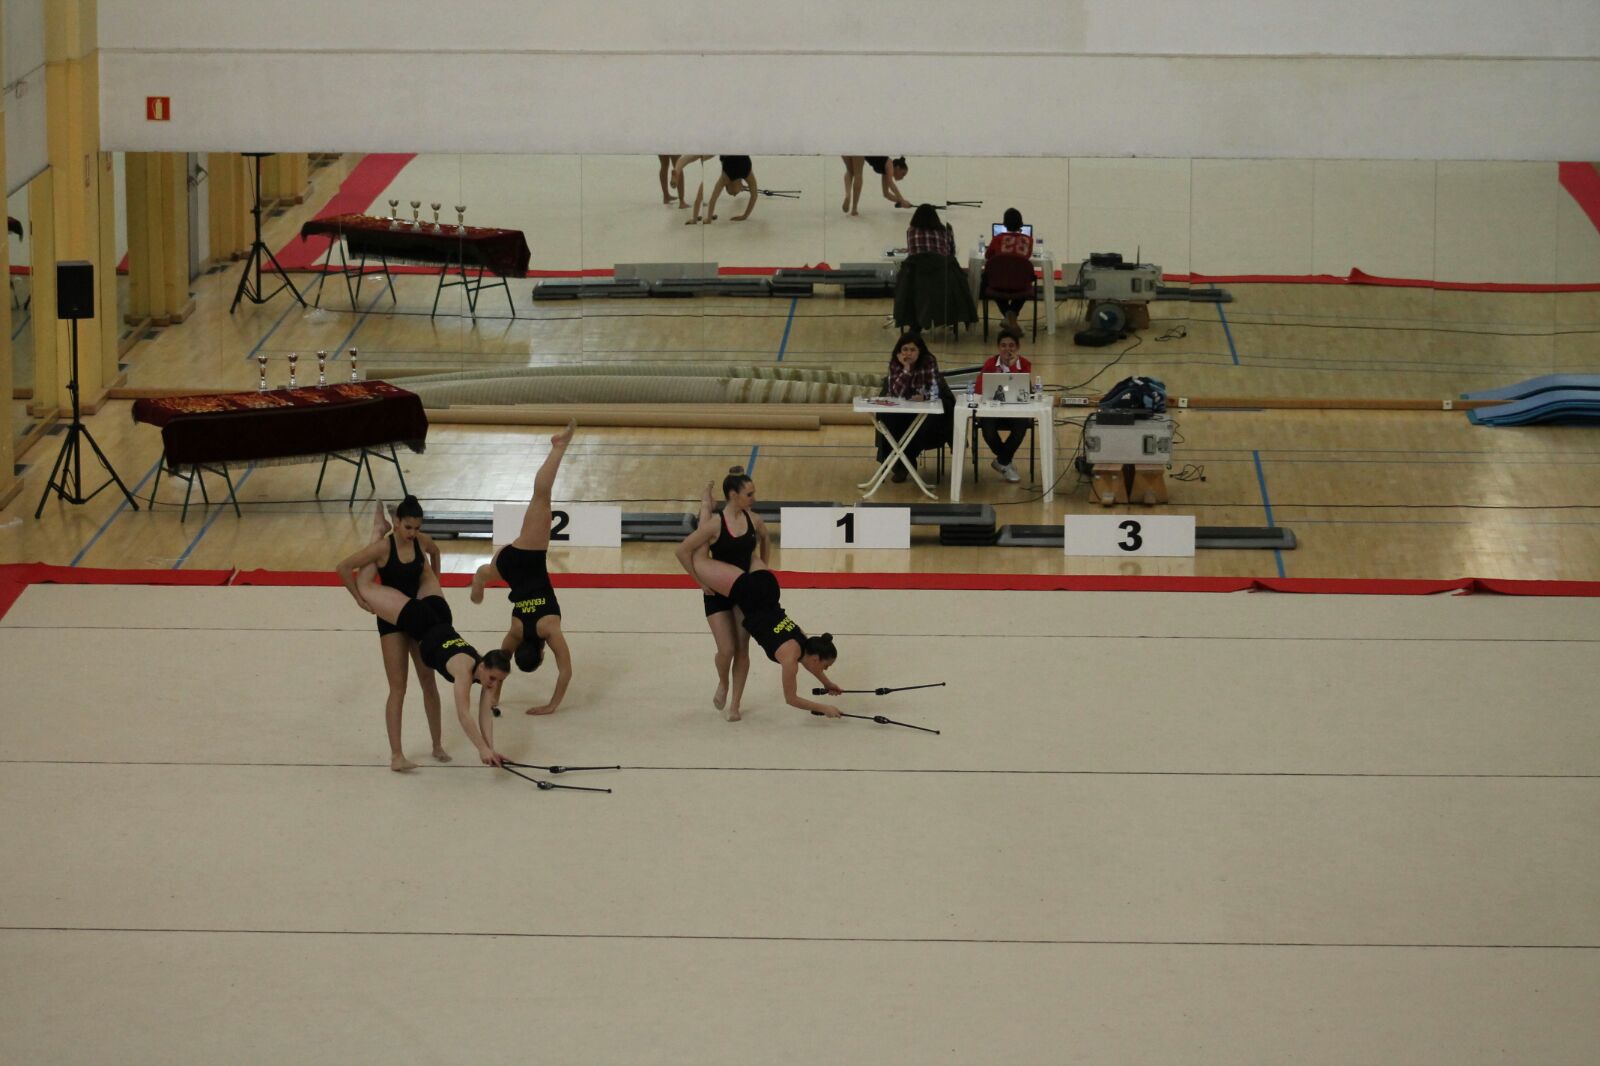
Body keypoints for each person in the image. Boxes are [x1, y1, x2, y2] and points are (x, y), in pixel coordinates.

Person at [468, 421, 576, 715]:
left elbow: (566, 671)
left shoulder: (548, 628)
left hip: (528, 558)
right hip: (506, 567)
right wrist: (493, 699)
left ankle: (558, 447)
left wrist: (552, 705)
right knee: (489, 572)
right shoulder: (514, 633)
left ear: (541, 653)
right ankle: (482, 576)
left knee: (541, 496)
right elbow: (498, 666)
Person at [336, 497, 449, 772]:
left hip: (418, 614)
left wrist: (435, 580)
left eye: (417, 528)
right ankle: (396, 755)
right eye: (408, 527)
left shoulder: (420, 542)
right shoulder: (384, 548)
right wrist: (358, 599)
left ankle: (437, 744)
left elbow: (436, 551)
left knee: (428, 681)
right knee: (398, 687)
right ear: (397, 523)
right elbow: (343, 567)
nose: (412, 533)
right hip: (392, 619)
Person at [352, 574, 510, 768]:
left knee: (425, 573)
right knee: (365, 587)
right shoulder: (464, 670)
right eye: (493, 678)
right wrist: (482, 749)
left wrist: (490, 749)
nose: (494, 684)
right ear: (483, 665)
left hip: (440, 614)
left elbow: (485, 714)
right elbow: (464, 714)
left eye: (499, 681)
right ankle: (360, 574)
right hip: (418, 618)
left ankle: (437, 746)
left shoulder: (486, 672)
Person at [678, 551, 845, 720]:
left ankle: (733, 704)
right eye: (826, 666)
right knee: (700, 563)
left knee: (745, 553)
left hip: (767, 586)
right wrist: (824, 708)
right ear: (815, 658)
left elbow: (810, 664)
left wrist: (827, 683)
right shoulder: (790, 660)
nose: (825, 670)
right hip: (748, 595)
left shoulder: (803, 639)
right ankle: (692, 554)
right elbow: (791, 699)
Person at [677, 467, 771, 721]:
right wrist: (699, 582)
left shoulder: (754, 520)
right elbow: (682, 551)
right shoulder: (716, 524)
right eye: (749, 494)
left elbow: (766, 538)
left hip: (744, 591)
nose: (754, 498)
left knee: (742, 649)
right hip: (716, 591)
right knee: (726, 650)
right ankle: (723, 681)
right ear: (733, 495)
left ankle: (735, 705)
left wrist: (762, 568)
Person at [875, 333, 946, 482]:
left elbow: (936, 389)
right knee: (887, 418)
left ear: (920, 351)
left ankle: (905, 461)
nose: (908, 353)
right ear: (899, 351)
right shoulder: (895, 362)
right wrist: (906, 369)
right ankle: (902, 462)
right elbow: (896, 392)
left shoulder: (929, 361)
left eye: (913, 350)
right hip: (900, 407)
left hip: (923, 407)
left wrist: (924, 397)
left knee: (924, 425)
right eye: (905, 349)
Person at [975, 327, 1034, 482]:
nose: (1007, 349)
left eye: (1011, 345)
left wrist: (1013, 367)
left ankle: (1001, 461)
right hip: (993, 410)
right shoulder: (990, 363)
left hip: (1016, 411)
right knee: (988, 431)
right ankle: (1005, 462)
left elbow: (1026, 389)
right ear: (998, 347)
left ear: (1017, 347)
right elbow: (979, 388)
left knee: (1021, 426)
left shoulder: (1025, 364)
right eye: (1003, 345)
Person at [984, 207, 1036, 331]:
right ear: (1021, 223)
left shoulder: (997, 239)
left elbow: (988, 256)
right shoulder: (1028, 240)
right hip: (1020, 285)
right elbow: (1025, 258)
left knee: (989, 283)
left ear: (1004, 223)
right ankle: (1012, 315)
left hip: (999, 283)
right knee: (1027, 285)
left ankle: (1008, 315)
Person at [688, 155, 759, 224]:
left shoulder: (729, 177)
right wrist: (744, 216)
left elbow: (713, 199)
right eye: (735, 193)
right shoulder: (727, 177)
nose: (734, 195)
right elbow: (712, 200)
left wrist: (745, 216)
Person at [841, 155, 911, 214]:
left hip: (849, 146)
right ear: (898, 168)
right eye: (903, 174)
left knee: (849, 171)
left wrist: (900, 201)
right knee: (858, 175)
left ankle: (848, 195)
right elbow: (891, 183)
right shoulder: (889, 164)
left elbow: (886, 194)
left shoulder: (885, 170)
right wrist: (902, 200)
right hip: (861, 149)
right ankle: (854, 209)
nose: (902, 177)